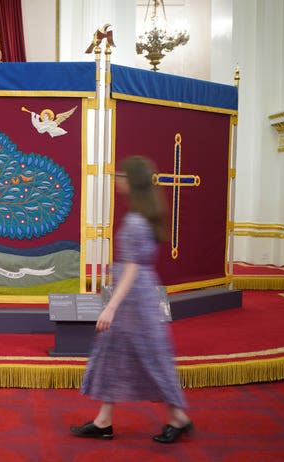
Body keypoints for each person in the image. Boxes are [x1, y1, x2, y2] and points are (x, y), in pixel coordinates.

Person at [70, 156, 192, 443]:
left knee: (149, 356)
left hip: (134, 297)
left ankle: (178, 417)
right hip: (136, 294)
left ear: (132, 181)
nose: (117, 180)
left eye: (121, 176)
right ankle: (104, 421)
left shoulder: (136, 221)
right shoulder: (144, 216)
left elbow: (133, 267)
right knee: (115, 352)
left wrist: (111, 306)